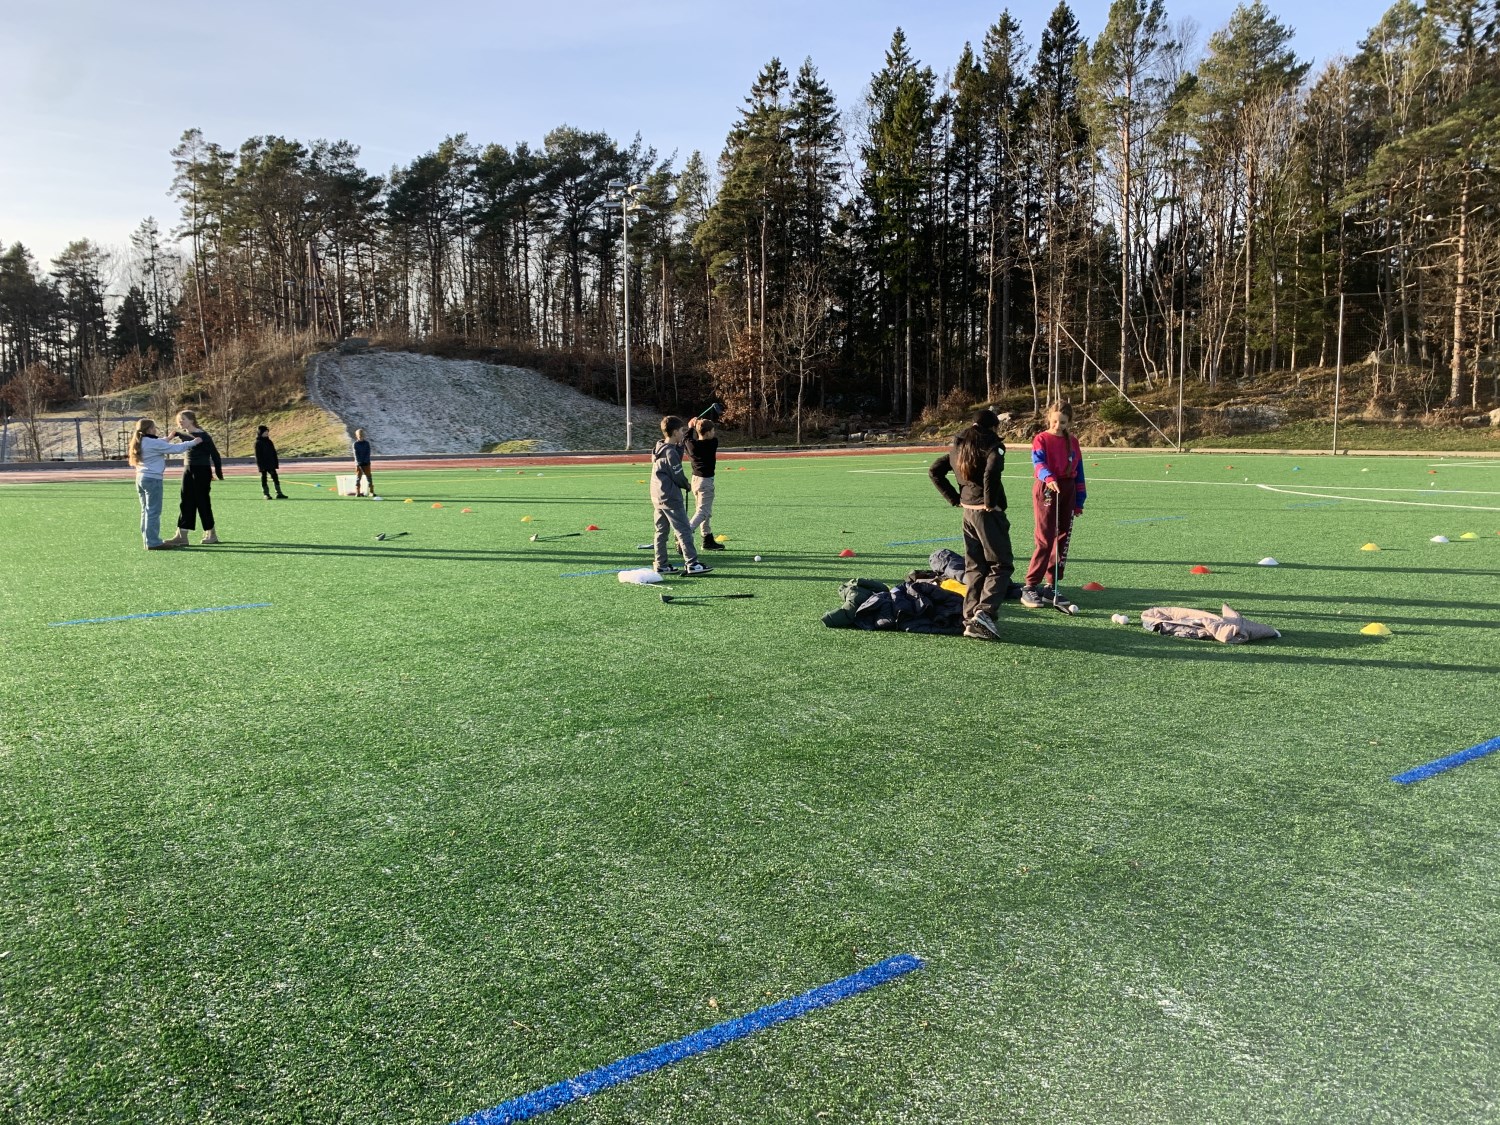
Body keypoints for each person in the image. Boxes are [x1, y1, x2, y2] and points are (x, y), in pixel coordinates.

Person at [929, 409, 1011, 641]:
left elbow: (934, 471)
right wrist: (990, 502)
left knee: (975, 566)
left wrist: (954, 498)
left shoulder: (959, 444)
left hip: (967, 512)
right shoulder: (992, 445)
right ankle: (984, 614)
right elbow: (992, 470)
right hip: (987, 514)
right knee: (1000, 565)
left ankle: (969, 617)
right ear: (993, 427)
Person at [1022, 401, 1086, 608]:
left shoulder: (1073, 441)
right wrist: (1049, 478)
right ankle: (1030, 586)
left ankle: (1051, 585)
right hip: (1047, 488)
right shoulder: (1041, 439)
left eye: (1063, 422)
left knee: (1062, 537)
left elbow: (1079, 471)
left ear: (1069, 422)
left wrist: (1079, 500)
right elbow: (1038, 462)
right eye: (1055, 421)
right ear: (1048, 418)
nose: (1058, 426)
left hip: (1068, 489)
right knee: (1045, 537)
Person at [650, 416, 712, 575]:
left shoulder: (660, 447)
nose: (683, 433)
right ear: (675, 432)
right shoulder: (670, 452)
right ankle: (692, 563)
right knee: (684, 530)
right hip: (670, 497)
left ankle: (661, 564)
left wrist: (684, 437)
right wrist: (686, 485)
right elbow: (677, 474)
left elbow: (674, 457)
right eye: (681, 431)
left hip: (657, 496)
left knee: (661, 532)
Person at [128, 418, 200, 550]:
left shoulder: (141, 440)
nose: (155, 429)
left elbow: (159, 443)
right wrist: (194, 442)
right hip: (153, 480)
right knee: (153, 512)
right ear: (149, 429)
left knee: (145, 511)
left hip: (141, 478)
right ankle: (153, 542)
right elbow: (176, 449)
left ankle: (148, 540)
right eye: (154, 427)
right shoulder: (152, 442)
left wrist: (169, 438)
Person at [161, 410, 223, 547]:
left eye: (183, 419)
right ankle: (181, 535)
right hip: (188, 469)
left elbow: (215, 455)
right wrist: (174, 434)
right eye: (179, 419)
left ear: (191, 420)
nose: (180, 421)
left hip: (202, 470)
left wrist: (218, 473)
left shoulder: (204, 436)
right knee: (186, 501)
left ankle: (211, 533)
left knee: (202, 501)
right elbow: (183, 435)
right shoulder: (185, 434)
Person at [684, 417, 724, 552]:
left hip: (695, 480)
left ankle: (707, 538)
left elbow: (686, 439)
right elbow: (691, 438)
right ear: (707, 433)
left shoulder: (692, 445)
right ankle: (685, 533)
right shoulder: (712, 443)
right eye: (712, 431)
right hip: (706, 482)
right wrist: (694, 426)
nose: (714, 433)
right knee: (703, 512)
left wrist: (691, 427)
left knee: (703, 511)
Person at [255, 425, 287, 500]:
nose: (267, 433)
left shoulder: (269, 442)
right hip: (263, 464)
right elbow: (258, 456)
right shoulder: (258, 443)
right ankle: (266, 494)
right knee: (264, 478)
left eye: (267, 432)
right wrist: (260, 466)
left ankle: (279, 493)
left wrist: (275, 463)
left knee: (275, 477)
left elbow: (273, 453)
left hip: (271, 463)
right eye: (265, 432)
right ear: (261, 433)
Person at [352, 428, 377, 498]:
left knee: (369, 477)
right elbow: (356, 454)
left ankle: (371, 491)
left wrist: (366, 461)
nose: (361, 437)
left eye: (362, 436)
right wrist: (359, 462)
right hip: (358, 464)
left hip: (366, 463)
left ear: (364, 436)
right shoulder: (355, 444)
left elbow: (367, 453)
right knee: (358, 477)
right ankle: (357, 492)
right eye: (359, 436)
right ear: (356, 436)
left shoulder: (366, 443)